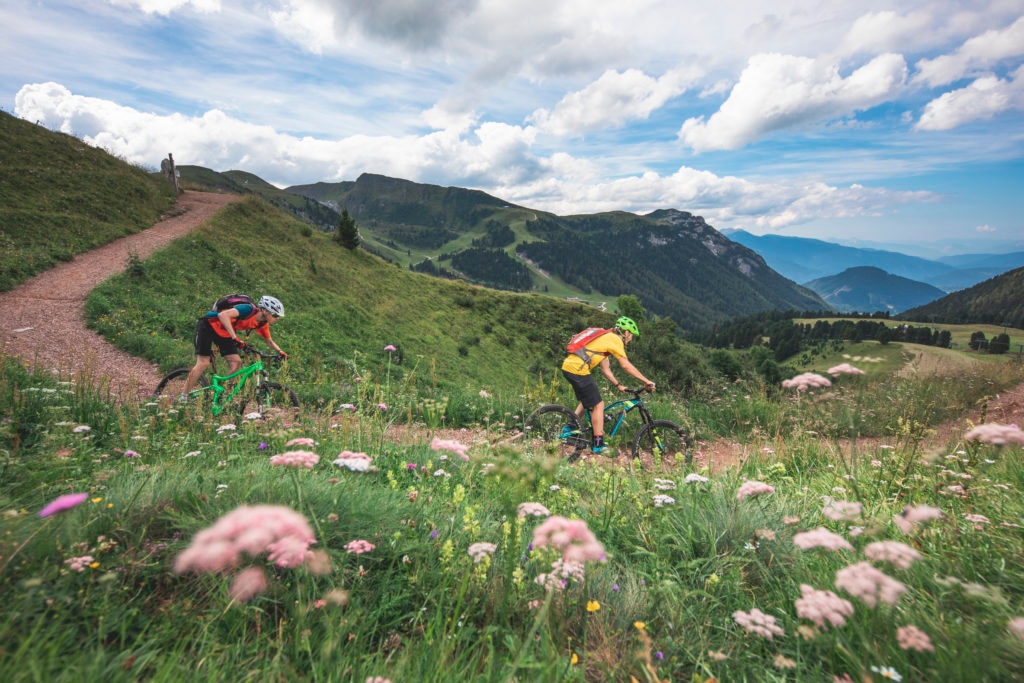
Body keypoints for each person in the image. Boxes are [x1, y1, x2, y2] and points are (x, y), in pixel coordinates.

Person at [560, 316, 656, 454]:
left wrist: (618, 385)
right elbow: (626, 365)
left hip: (569, 367)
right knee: (599, 404)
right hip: (578, 369)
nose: (631, 339)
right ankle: (598, 444)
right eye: (632, 336)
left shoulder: (605, 337)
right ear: (626, 332)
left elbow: (606, 369)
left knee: (587, 400)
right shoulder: (615, 340)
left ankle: (570, 427)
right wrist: (646, 381)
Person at [182, 295, 287, 394]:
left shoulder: (262, 323)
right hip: (208, 325)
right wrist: (235, 338)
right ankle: (183, 396)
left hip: (225, 333)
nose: (277, 318)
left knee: (236, 363)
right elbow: (222, 315)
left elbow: (269, 341)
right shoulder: (248, 309)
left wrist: (280, 351)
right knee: (203, 363)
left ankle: (222, 395)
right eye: (275, 315)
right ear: (264, 310)